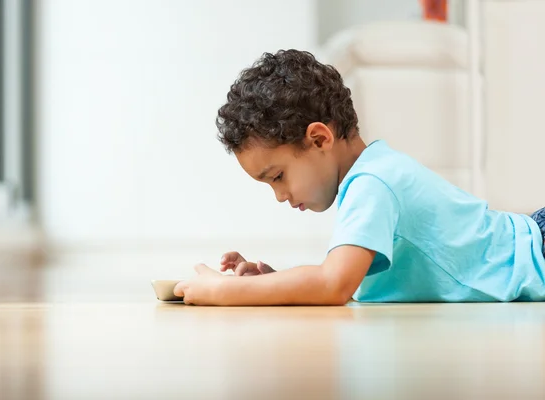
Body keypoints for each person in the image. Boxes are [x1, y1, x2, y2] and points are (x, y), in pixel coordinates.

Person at [173, 49, 545, 306]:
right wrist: (269, 281)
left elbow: (333, 284)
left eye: (278, 176)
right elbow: (337, 280)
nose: (280, 196)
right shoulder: (369, 177)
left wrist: (223, 292)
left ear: (320, 138)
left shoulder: (373, 183)